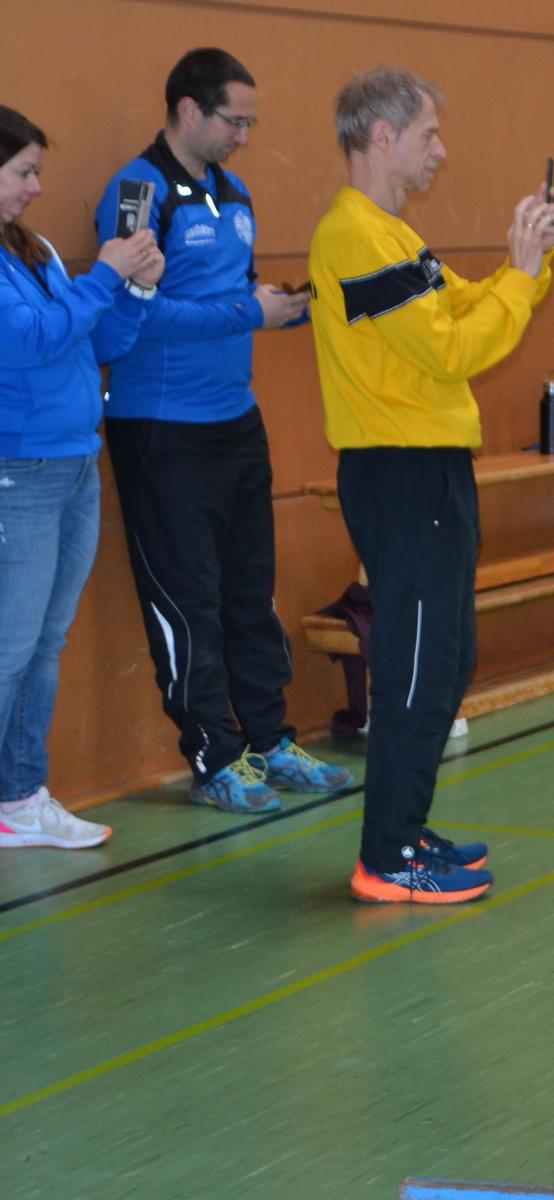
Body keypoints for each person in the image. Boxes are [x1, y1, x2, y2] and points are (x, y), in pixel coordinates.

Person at [307, 67, 554, 904]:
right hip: (399, 471)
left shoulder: (395, 237)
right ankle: (386, 858)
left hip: (433, 468)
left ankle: (406, 828)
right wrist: (519, 276)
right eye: (429, 135)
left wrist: (530, 262)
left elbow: (464, 308)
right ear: (382, 136)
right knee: (416, 668)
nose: (440, 152)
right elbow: (453, 350)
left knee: (447, 657)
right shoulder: (351, 236)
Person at [96, 47, 351, 817]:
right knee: (190, 601)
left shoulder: (235, 194)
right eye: (234, 121)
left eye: (249, 123)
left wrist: (281, 305)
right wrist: (248, 311)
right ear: (188, 110)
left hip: (236, 421)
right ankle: (213, 756)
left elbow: (230, 296)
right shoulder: (137, 193)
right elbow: (129, 314)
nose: (243, 136)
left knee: (249, 593)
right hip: (161, 429)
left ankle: (270, 739)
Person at [0, 106, 162, 850]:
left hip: (73, 466)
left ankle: (20, 796)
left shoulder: (33, 251)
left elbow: (94, 341)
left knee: (44, 644)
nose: (37, 187)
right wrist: (105, 274)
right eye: (23, 171)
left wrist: (136, 291)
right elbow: (31, 340)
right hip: (19, 473)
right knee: (10, 647)